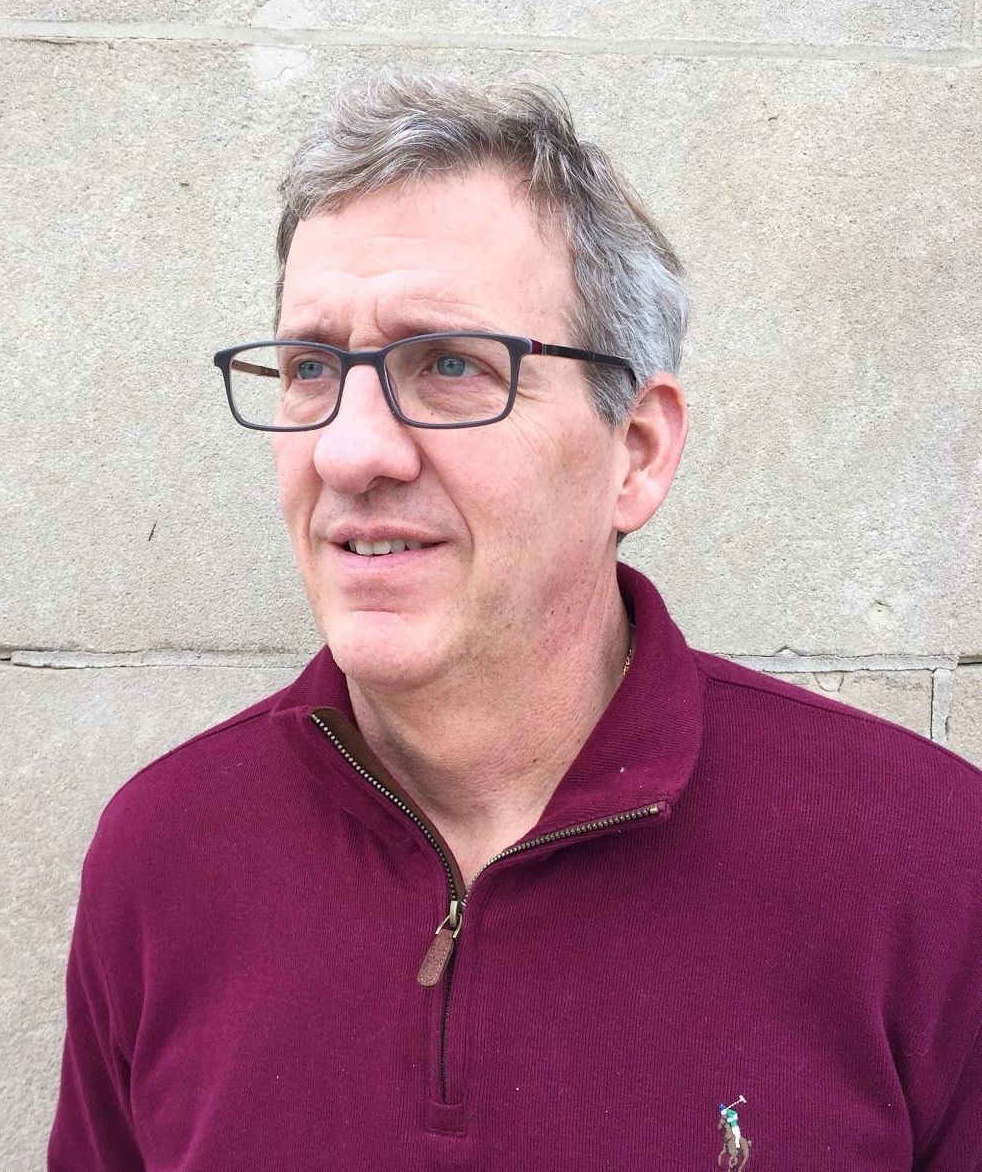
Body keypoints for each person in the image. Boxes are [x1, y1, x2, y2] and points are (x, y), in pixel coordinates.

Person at [48, 75, 981, 1170]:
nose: (351, 452)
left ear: (636, 452)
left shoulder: (928, 862)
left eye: (448, 365)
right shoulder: (165, 853)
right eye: (310, 368)